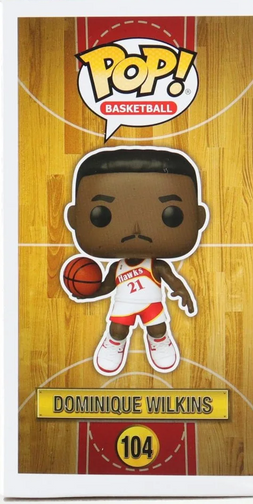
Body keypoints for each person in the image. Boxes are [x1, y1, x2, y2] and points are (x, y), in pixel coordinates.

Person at [64, 147, 209, 376]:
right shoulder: (117, 266)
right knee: (117, 330)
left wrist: (184, 293)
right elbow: (107, 287)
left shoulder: (157, 266)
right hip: (124, 304)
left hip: (152, 304)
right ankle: (114, 343)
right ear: (74, 218)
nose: (136, 230)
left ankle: (160, 342)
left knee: (158, 329)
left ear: (198, 218)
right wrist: (89, 294)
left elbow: (173, 280)